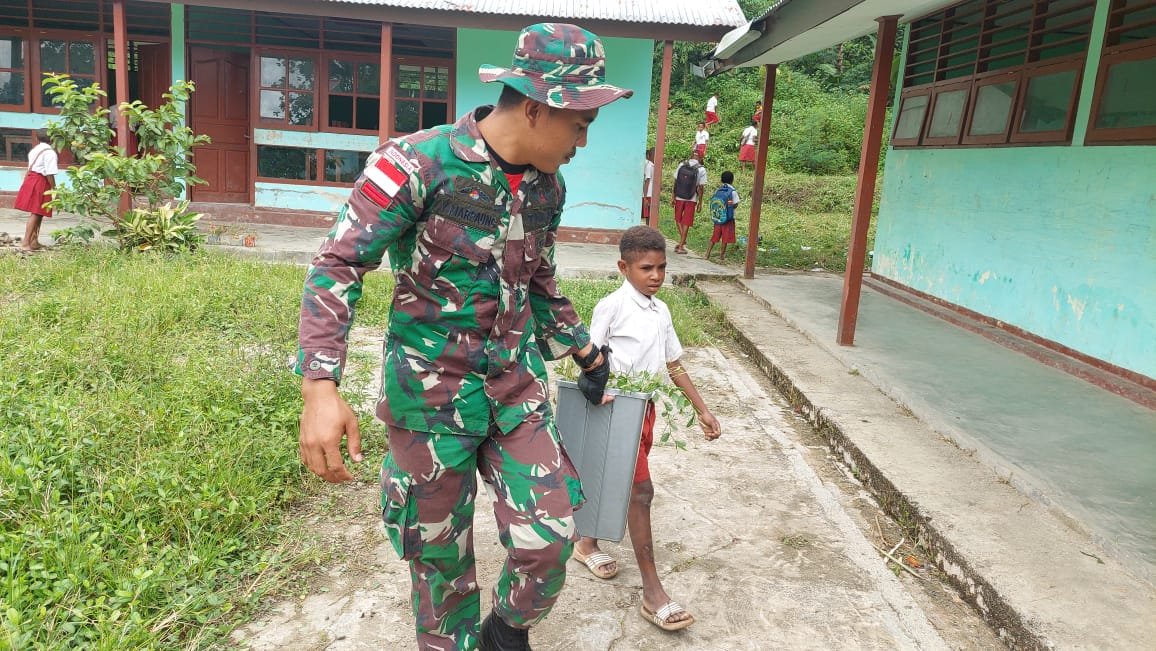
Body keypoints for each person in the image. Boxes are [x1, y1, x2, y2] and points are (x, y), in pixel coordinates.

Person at [295, 22, 631, 651]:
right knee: (440, 565)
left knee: (550, 539)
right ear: (536, 108)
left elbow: (538, 278)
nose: (583, 143)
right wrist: (320, 386)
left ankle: (506, 632)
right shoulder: (417, 163)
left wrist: (582, 347)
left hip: (513, 387)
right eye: (579, 126)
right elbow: (337, 263)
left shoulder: (546, 187)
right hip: (429, 400)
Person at [570, 225, 722, 632]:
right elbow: (587, 355)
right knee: (641, 490)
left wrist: (703, 409)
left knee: (617, 481)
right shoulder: (612, 307)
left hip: (645, 409)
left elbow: (673, 364)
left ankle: (585, 543)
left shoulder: (661, 311)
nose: (655, 276)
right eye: (646, 268)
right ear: (624, 267)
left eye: (662, 268)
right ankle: (653, 592)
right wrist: (595, 390)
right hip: (614, 408)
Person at [14, 129, 59, 252]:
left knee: (39, 212)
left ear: (37, 139)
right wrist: (55, 190)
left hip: (32, 179)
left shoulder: (35, 150)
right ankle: (25, 242)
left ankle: (34, 241)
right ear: (51, 139)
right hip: (40, 181)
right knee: (35, 212)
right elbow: (49, 173)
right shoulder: (49, 153)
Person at [671, 153, 706, 255]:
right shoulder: (701, 169)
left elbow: (676, 181)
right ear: (700, 158)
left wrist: (673, 196)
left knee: (678, 218)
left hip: (679, 196)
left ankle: (682, 240)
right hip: (692, 198)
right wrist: (700, 202)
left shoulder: (681, 165)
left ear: (690, 156)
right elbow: (701, 187)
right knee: (686, 221)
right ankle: (681, 246)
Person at [705, 170, 741, 262]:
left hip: (718, 217)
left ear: (721, 180)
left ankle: (707, 254)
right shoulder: (732, 191)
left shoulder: (718, 190)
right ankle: (721, 255)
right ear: (732, 180)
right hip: (728, 218)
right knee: (725, 237)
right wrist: (730, 207)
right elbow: (736, 204)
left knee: (715, 236)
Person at [642, 147, 654, 224]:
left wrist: (645, 197)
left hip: (647, 193)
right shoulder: (650, 165)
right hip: (649, 193)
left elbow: (647, 180)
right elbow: (647, 180)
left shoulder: (649, 165)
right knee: (648, 215)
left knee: (646, 214)